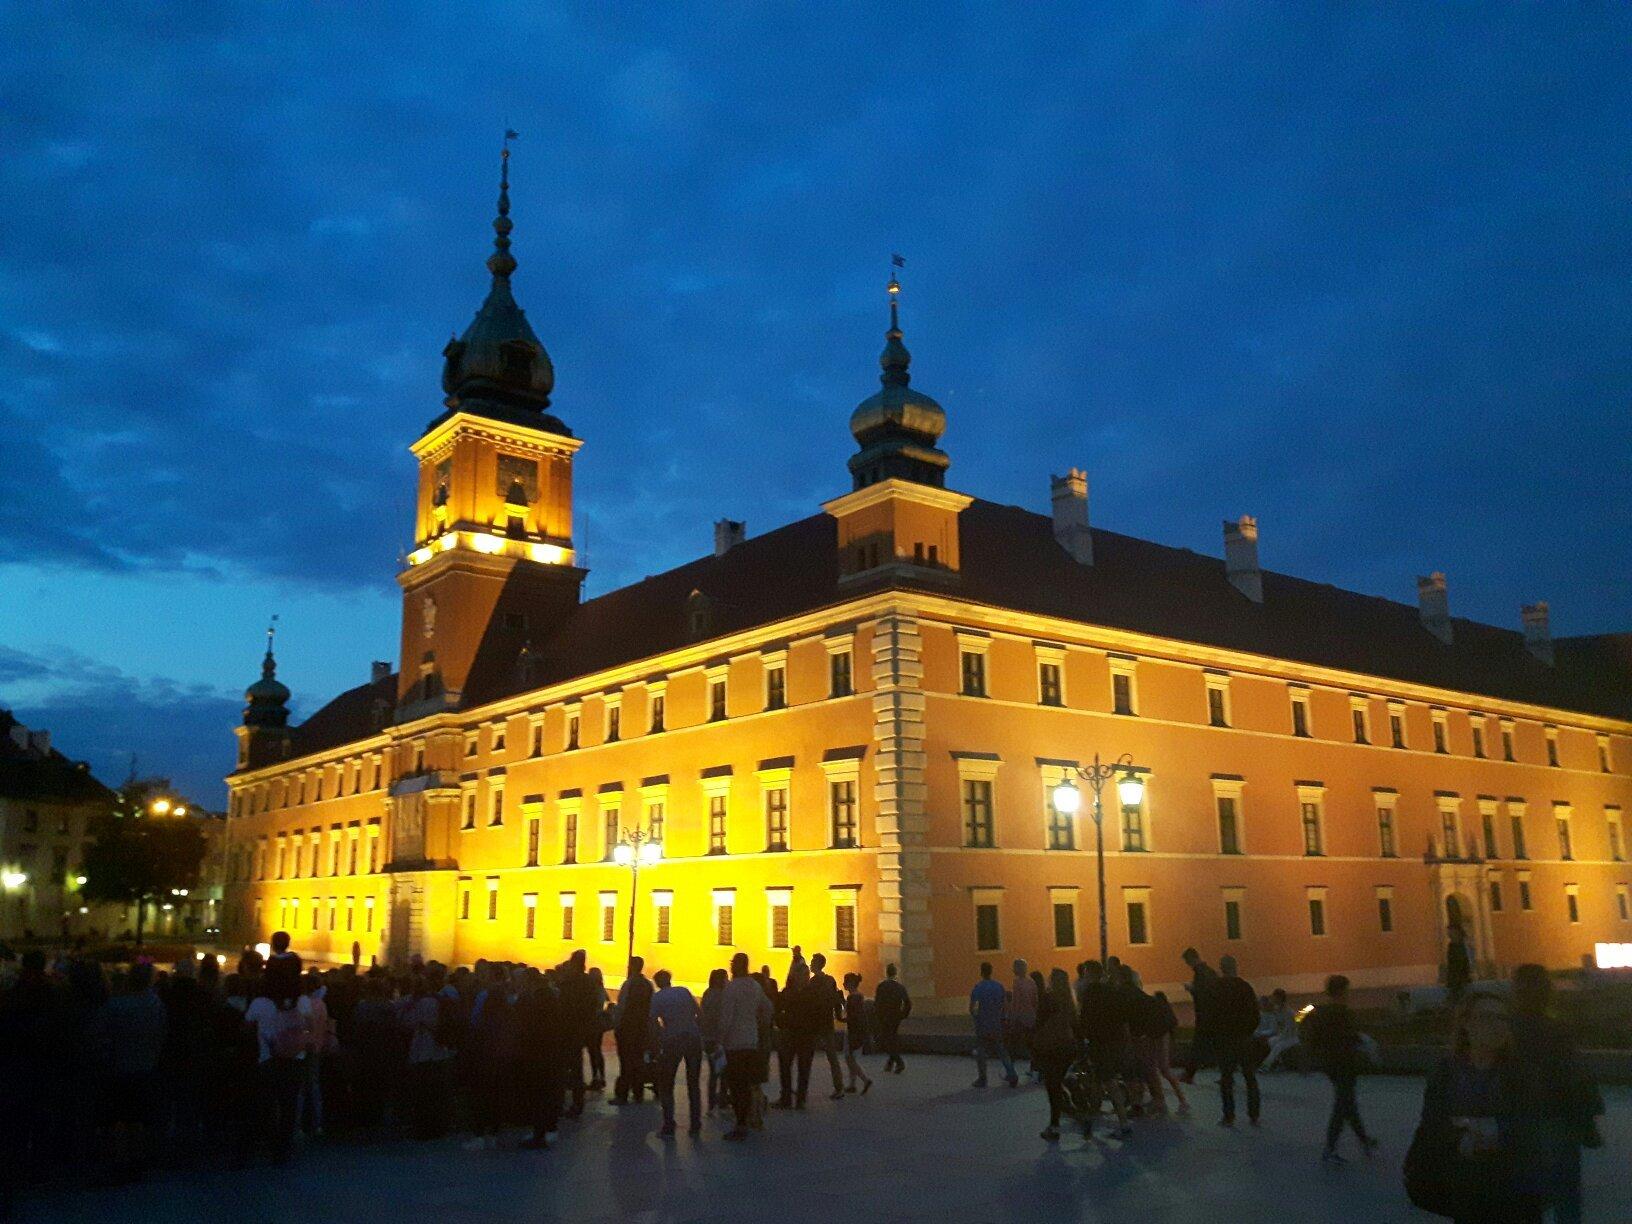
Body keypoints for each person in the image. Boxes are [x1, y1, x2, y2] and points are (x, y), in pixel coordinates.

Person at [1407, 991, 1549, 1223]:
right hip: (1466, 1189)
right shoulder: (1446, 1073)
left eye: (1502, 1018)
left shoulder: (1521, 1072)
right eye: (1487, 1017)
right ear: (1465, 1023)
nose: (1497, 1025)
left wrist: (1484, 1129)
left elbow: (1531, 1126)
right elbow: (1432, 1125)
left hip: (1513, 1191)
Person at [1509, 964, 1603, 1224]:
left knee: (1526, 1195)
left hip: (1521, 1121)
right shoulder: (1558, 1029)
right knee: (1566, 1194)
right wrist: (1588, 1121)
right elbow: (1578, 1076)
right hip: (1559, 1118)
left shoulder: (1508, 1031)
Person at [1303, 974, 1377, 1164]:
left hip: (1330, 1065)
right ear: (1342, 991)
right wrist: (1366, 1045)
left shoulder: (1321, 1011)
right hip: (1345, 1064)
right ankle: (1330, 1147)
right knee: (1343, 1105)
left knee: (1347, 1102)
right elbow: (1350, 1036)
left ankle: (1363, 1139)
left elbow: (1305, 1026)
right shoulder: (1342, 1013)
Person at [245, 973, 307, 1164]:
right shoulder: (301, 1001)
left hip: (267, 1058)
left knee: (267, 1105)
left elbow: (247, 1025)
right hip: (294, 1058)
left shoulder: (260, 1003)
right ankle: (284, 1147)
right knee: (289, 1105)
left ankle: (269, 1144)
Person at [1074, 960, 1132, 1139]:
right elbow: (1122, 1015)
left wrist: (1081, 1038)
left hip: (1099, 1043)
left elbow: (1085, 1020)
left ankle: (1124, 1124)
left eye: (1085, 972)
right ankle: (1090, 1120)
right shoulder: (1111, 991)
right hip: (1114, 1041)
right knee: (1098, 1082)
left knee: (1108, 1081)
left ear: (1090, 974)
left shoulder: (1090, 993)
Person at [717, 953, 772, 1140]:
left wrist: (720, 1040)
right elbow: (768, 1008)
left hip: (734, 1043)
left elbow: (726, 1018)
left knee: (736, 1085)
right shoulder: (755, 986)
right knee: (747, 1084)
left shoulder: (731, 988)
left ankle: (740, 1124)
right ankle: (747, 1120)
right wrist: (759, 1024)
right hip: (752, 1041)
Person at [650, 969, 703, 1136]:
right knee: (693, 1082)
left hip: (672, 1039)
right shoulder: (684, 991)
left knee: (667, 1082)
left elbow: (652, 1022)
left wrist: (660, 1037)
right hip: (693, 1037)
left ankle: (668, 1123)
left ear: (657, 983)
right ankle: (695, 1122)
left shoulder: (657, 997)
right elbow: (699, 1013)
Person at [1213, 955, 1261, 1127]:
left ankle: (1229, 1115)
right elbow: (1255, 1014)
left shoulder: (1217, 988)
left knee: (1226, 1078)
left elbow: (1212, 1015)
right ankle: (1254, 1114)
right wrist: (1248, 1031)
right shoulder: (1245, 987)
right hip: (1244, 1038)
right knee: (1250, 1077)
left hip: (1225, 1039)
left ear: (1222, 968)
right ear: (1235, 967)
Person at [793, 953, 846, 1105]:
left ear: (817, 964)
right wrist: (839, 1016)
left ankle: (802, 1088)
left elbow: (808, 1003)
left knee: (807, 1057)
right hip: (827, 1022)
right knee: (832, 1057)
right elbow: (836, 999)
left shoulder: (813, 982)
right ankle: (839, 1087)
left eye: (812, 962)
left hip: (815, 1024)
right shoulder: (830, 980)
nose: (810, 964)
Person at [1034, 969, 1079, 1141]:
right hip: (1067, 1046)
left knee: (1052, 1087)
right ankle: (1074, 1113)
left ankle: (1055, 1125)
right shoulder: (1069, 1000)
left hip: (1051, 1047)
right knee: (1057, 1083)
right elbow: (1075, 1025)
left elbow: (1039, 1023)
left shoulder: (1048, 998)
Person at [969, 961, 1018, 1088]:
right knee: (1002, 1050)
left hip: (982, 1024)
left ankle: (982, 1078)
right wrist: (1003, 1017)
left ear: (981, 972)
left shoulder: (978, 988)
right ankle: (1012, 1073)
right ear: (991, 971)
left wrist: (976, 1017)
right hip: (996, 1023)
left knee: (981, 1051)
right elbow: (1005, 1005)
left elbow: (973, 1007)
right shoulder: (999, 986)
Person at [612, 956, 653, 1105]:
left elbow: (622, 1006)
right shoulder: (648, 984)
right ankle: (638, 1092)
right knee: (638, 1060)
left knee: (626, 1062)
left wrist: (617, 1024)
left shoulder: (629, 984)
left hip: (627, 1027)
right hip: (641, 1028)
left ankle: (623, 1094)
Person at [1179, 947, 1220, 1082]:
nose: (1188, 965)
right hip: (1213, 1013)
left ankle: (1189, 1074)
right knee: (1216, 1044)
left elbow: (1203, 994)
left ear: (1191, 959)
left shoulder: (1200, 973)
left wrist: (1191, 989)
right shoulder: (1210, 971)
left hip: (1204, 1014)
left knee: (1198, 1044)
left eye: (1187, 962)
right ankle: (1227, 1075)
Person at [872, 963, 911, 1074]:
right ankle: (890, 1063)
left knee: (886, 1039)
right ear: (895, 973)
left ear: (886, 973)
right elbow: (907, 1003)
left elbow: (877, 1003)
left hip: (884, 1016)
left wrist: (877, 1015)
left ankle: (899, 1062)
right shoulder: (900, 987)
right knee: (892, 1037)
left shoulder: (881, 986)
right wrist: (903, 1015)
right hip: (896, 1016)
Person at [700, 967, 729, 1112]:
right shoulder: (725, 995)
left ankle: (711, 1102)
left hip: (709, 1038)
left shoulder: (707, 993)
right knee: (724, 1072)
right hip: (722, 1039)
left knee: (714, 1072)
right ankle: (722, 1100)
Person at [841, 974, 873, 1094]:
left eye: (845, 982)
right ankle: (852, 1084)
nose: (843, 984)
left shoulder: (852, 998)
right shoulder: (859, 996)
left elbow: (850, 1016)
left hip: (852, 1031)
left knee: (849, 1058)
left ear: (850, 983)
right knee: (852, 1057)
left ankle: (865, 1079)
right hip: (858, 1030)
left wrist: (841, 1016)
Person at [1009, 959, 1039, 1080]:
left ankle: (1010, 1071)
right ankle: (1034, 1069)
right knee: (1031, 1045)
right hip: (1031, 1017)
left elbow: (1016, 1002)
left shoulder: (1017, 982)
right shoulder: (1031, 982)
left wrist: (1012, 1018)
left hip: (1020, 1018)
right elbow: (1035, 1001)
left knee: (1013, 1046)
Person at [1258, 989, 1300, 1072]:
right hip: (1282, 1036)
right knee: (1271, 1041)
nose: (1273, 999)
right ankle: (1279, 1062)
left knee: (1278, 1046)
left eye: (1275, 997)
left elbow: (1289, 1030)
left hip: (1292, 1037)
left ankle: (1265, 1066)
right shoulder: (1277, 1011)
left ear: (1280, 998)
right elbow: (1276, 1027)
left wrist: (1280, 1037)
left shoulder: (1289, 1013)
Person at [584, 965, 609, 1091]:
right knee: (597, 1050)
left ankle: (596, 1077)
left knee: (593, 1051)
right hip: (598, 1023)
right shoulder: (601, 989)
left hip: (592, 1022)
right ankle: (600, 1077)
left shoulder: (593, 990)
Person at [1445, 924, 1472, 1005]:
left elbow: (1461, 962)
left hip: (1459, 979)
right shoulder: (1453, 945)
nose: (1448, 934)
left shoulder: (1460, 946)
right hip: (1457, 979)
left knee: (1458, 1000)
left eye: (1450, 931)